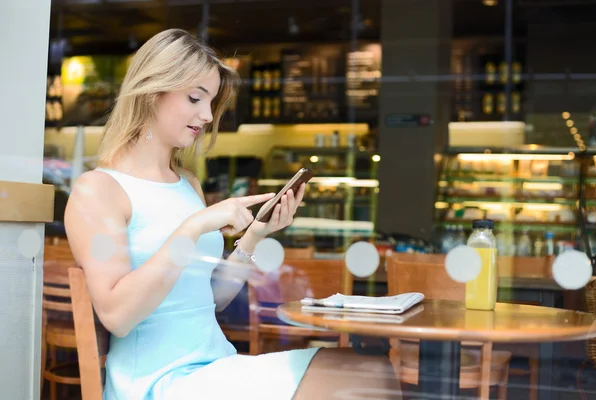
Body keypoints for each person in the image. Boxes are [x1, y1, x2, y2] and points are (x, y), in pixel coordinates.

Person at [64, 28, 401, 400]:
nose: (207, 115)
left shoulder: (186, 183)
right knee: (363, 378)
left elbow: (211, 298)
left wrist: (254, 236)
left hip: (214, 365)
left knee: (372, 368)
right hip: (158, 382)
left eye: (211, 103)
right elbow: (117, 317)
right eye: (195, 98)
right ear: (151, 91)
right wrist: (192, 228)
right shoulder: (97, 190)